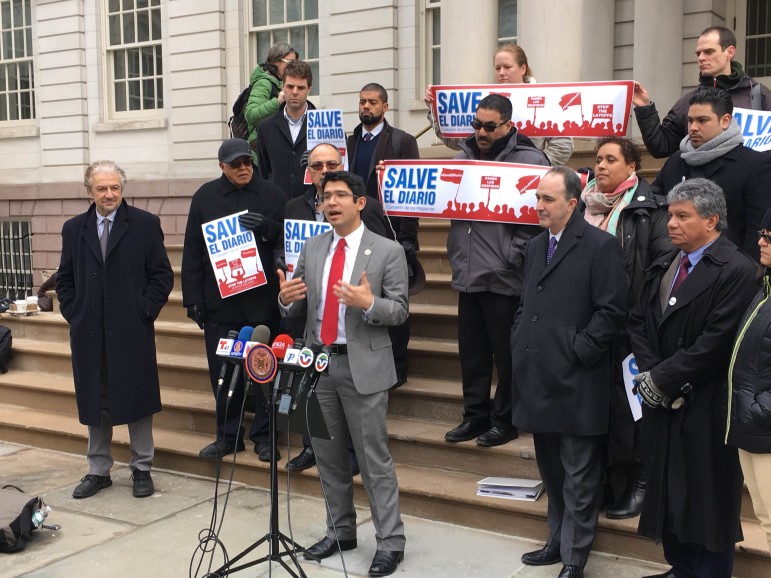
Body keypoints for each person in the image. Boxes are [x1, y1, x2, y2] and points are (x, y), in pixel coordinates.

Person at [278, 171, 408, 577]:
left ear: (359, 202)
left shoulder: (386, 251)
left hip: (363, 366)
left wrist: (370, 303)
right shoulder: (313, 248)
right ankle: (341, 531)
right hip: (318, 365)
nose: (330, 203)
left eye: (339, 196)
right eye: (324, 197)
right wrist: (285, 301)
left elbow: (400, 310)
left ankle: (390, 541)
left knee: (373, 460)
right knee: (328, 457)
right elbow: (299, 307)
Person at [627, 178, 758, 578]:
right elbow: (639, 321)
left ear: (712, 220)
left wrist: (662, 380)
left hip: (705, 405)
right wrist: (652, 376)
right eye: (671, 214)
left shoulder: (737, 269)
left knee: (707, 498)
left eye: (683, 216)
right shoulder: (667, 261)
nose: (671, 224)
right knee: (670, 492)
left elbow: (715, 343)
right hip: (664, 403)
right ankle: (680, 567)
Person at [512, 166, 628, 578]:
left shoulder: (600, 246)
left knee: (580, 474)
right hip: (537, 376)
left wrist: (577, 351)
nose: (538, 205)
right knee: (553, 471)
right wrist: (518, 339)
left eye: (547, 199)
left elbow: (612, 311)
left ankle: (574, 557)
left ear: (572, 203)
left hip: (578, 379)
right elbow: (528, 302)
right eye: (537, 197)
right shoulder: (535, 245)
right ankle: (556, 540)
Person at [56, 160, 173, 499]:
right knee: (96, 396)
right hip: (89, 330)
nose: (110, 194)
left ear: (123, 188)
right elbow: (65, 277)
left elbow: (162, 275)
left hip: (131, 328)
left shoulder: (145, 224)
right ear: (88, 191)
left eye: (115, 188)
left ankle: (142, 467)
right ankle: (98, 469)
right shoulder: (73, 228)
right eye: (102, 188)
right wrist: (73, 311)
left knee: (137, 396)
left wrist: (144, 310)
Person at [444, 93, 549, 447]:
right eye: (477, 125)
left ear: (508, 124)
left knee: (505, 355)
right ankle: (474, 416)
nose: (482, 132)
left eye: (490, 126)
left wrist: (511, 256)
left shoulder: (530, 159)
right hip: (468, 272)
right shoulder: (462, 158)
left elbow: (538, 218)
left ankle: (505, 420)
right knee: (471, 354)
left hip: (505, 277)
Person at [580, 136, 671, 519]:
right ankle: (600, 481)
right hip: (591, 325)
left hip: (632, 327)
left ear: (631, 167)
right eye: (598, 159)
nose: (601, 165)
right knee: (596, 407)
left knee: (634, 411)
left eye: (611, 159)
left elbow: (660, 270)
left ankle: (640, 483)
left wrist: (636, 318)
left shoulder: (650, 210)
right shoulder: (582, 207)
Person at [281, 142, 385, 473]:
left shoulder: (363, 207)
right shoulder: (293, 206)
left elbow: (381, 254)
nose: (324, 171)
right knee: (314, 398)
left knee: (351, 408)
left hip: (354, 330)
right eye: (317, 166)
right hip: (312, 319)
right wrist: (287, 292)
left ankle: (352, 453)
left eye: (330, 164)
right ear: (308, 172)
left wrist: (367, 297)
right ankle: (313, 448)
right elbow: (286, 252)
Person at [181, 138, 287, 461]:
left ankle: (265, 437)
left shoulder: (272, 194)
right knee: (223, 373)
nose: (243, 168)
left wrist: (268, 227)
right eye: (235, 164)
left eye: (247, 162)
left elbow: (290, 239)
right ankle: (228, 436)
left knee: (265, 371)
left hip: (262, 302)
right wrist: (193, 299)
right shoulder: (204, 197)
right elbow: (192, 252)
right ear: (222, 167)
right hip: (220, 302)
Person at [347, 82, 419, 387]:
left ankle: (399, 365)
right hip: (355, 231)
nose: (366, 107)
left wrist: (406, 239)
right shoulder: (349, 142)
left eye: (373, 102)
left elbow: (412, 193)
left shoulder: (402, 141)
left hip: (390, 233)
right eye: (363, 101)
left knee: (392, 299)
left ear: (385, 107)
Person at [651, 86, 771, 261]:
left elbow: (756, 231)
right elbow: (657, 208)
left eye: (702, 120)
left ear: (725, 121)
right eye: (690, 121)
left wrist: (747, 277)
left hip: (728, 274)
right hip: (673, 269)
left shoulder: (755, 165)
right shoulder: (676, 161)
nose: (693, 127)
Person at [634, 25, 771, 158]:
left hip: (750, 178)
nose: (701, 58)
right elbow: (661, 147)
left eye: (709, 52)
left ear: (730, 52)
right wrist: (645, 108)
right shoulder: (689, 100)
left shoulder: (759, 95)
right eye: (698, 53)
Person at [424, 44, 573, 165]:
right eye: (497, 68)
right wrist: (434, 111)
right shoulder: (484, 102)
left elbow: (563, 144)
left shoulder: (543, 100)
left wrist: (536, 164)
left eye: (507, 67)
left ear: (523, 68)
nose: (501, 72)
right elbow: (457, 142)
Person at [726, 207, 771, 554]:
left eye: (769, 237)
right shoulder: (764, 288)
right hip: (750, 424)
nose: (760, 241)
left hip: (762, 424)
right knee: (766, 519)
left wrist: (761, 409)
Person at [255, 59, 315, 199]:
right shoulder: (265, 128)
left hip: (315, 207)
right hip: (278, 206)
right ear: (283, 87)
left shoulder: (325, 124)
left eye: (300, 88)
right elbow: (264, 173)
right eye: (290, 86)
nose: (295, 92)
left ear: (309, 89)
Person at [244, 42, 298, 156]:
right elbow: (250, 114)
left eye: (295, 62)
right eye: (290, 62)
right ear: (276, 62)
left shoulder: (282, 82)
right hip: (261, 152)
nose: (294, 66)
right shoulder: (264, 83)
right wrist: (277, 102)